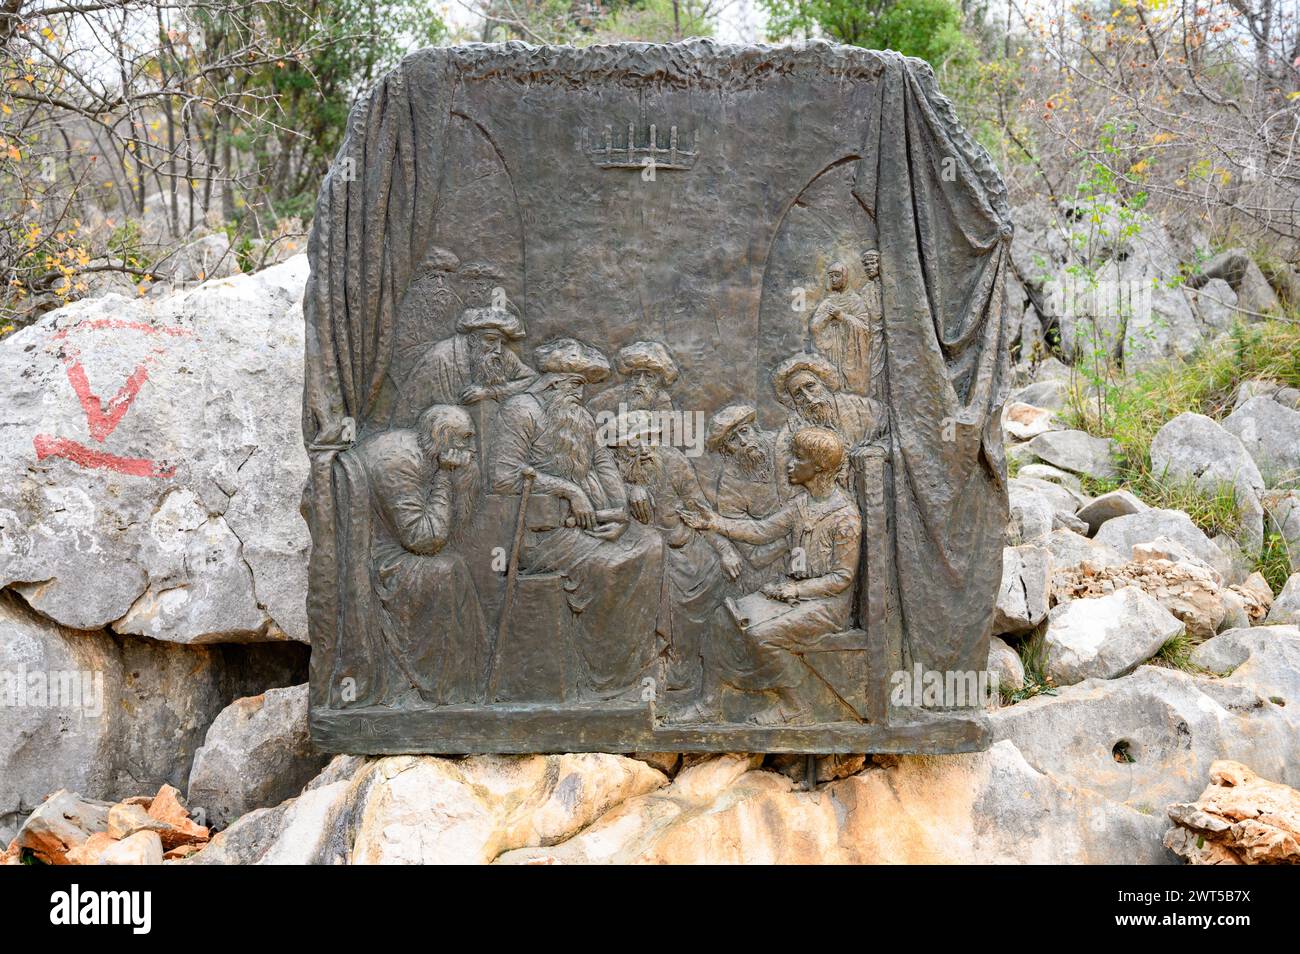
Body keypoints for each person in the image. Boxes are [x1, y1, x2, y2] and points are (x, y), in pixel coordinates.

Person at [489, 338, 664, 700]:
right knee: (612, 565)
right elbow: (503, 476)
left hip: (587, 526)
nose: (582, 396)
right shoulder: (522, 410)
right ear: (555, 383)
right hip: (539, 535)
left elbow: (603, 463)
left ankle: (631, 667)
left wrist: (620, 512)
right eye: (577, 386)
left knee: (651, 544)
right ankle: (603, 675)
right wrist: (569, 490)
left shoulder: (579, 416)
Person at [678, 427, 861, 725]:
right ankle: (709, 704)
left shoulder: (845, 517)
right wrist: (713, 522)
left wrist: (796, 592)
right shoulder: (801, 505)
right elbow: (761, 531)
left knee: (763, 635)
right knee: (722, 619)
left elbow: (841, 578)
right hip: (794, 598)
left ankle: (796, 706)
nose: (789, 462)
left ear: (817, 467)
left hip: (826, 607)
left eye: (797, 458)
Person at [353, 404, 486, 706]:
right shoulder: (401, 463)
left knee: (459, 565)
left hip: (396, 543)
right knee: (448, 570)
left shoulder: (421, 451)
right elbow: (425, 539)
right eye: (465, 439)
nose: (471, 448)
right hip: (378, 557)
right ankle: (442, 685)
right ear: (443, 439)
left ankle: (463, 683)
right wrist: (444, 476)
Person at [607, 409, 736, 701]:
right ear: (618, 449)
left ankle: (686, 670)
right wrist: (629, 488)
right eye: (631, 442)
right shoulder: (613, 469)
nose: (641, 448)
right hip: (637, 555)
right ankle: (643, 670)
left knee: (707, 576)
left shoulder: (674, 462)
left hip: (684, 548)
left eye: (648, 439)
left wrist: (725, 549)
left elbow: (700, 512)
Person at [395, 306, 537, 425]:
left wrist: (491, 392)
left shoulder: (502, 354)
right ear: (473, 339)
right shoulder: (439, 358)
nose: (498, 348)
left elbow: (532, 379)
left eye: (502, 342)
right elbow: (407, 413)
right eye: (491, 340)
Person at [771, 352, 886, 494]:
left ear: (823, 383)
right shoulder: (789, 434)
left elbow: (902, 434)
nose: (808, 397)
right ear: (792, 401)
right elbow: (786, 488)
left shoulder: (862, 408)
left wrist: (881, 449)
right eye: (798, 394)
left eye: (810, 386)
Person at [705, 403, 788, 591]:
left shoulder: (782, 445)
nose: (743, 441)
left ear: (755, 428)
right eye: (733, 439)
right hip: (776, 559)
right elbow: (755, 556)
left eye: (744, 431)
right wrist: (791, 538)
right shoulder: (729, 486)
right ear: (726, 449)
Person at [809, 259, 873, 397]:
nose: (833, 279)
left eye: (837, 275)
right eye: (830, 276)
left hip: (849, 352)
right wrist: (827, 317)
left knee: (849, 392)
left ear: (845, 277)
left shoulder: (855, 301)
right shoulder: (827, 302)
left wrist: (841, 316)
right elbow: (814, 327)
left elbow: (865, 328)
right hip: (830, 350)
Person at [588, 340, 679, 414]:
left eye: (649, 377)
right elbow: (591, 410)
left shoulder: (663, 402)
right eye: (636, 375)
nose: (640, 383)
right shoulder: (610, 397)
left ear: (659, 381)